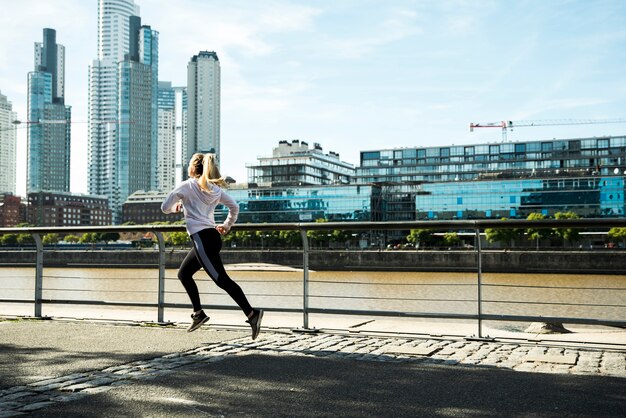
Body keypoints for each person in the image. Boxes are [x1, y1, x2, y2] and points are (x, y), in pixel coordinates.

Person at [161, 153, 263, 338]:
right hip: (212, 237)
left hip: (201, 239)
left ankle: (252, 313)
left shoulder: (186, 186)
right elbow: (235, 207)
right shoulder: (215, 190)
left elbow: (164, 207)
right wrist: (226, 225)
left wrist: (177, 206)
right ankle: (198, 314)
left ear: (193, 167)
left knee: (221, 279)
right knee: (184, 274)